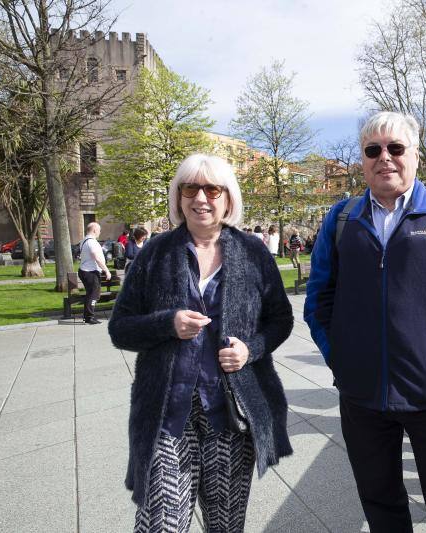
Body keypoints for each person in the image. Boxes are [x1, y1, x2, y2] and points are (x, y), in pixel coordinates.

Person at [304, 111, 426, 533]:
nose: (385, 158)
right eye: (373, 150)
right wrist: (339, 355)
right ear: (362, 159)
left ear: (415, 155)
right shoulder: (342, 219)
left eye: (396, 148)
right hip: (362, 396)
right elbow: (319, 297)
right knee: (381, 507)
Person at [108, 154, 294, 533]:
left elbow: (281, 320)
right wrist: (167, 323)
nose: (201, 198)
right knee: (160, 525)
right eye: (190, 188)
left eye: (213, 189)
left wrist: (250, 349)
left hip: (229, 414)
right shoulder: (156, 253)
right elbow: (120, 327)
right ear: (178, 198)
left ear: (228, 198)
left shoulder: (252, 252)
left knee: (225, 526)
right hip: (167, 414)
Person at [78, 222, 111, 325]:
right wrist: (106, 270)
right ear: (94, 230)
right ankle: (89, 317)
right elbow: (95, 257)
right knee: (93, 294)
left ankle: (88, 316)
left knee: (92, 294)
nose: (100, 232)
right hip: (90, 272)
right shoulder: (91, 242)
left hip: (87, 270)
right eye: (99, 230)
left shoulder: (84, 240)